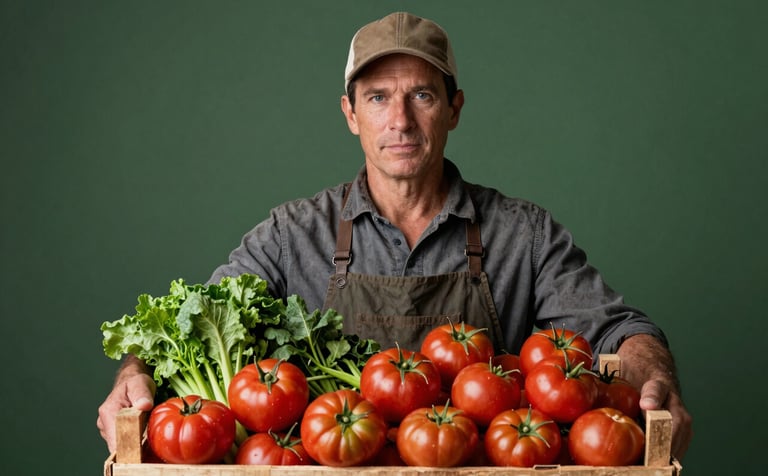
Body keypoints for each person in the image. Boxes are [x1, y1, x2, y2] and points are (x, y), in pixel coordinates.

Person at [97, 11, 692, 461]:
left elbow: (621, 329)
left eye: (422, 96)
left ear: (454, 109)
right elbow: (191, 323)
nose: (400, 120)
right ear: (351, 114)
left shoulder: (524, 234)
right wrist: (132, 378)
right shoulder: (291, 234)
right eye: (378, 98)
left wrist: (654, 375)